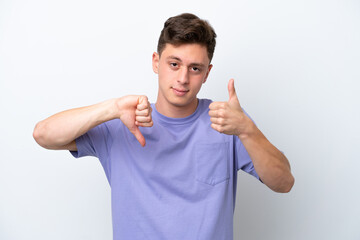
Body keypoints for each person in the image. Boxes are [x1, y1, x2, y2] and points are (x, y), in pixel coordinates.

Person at [33, 13, 294, 240]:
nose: (182, 78)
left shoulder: (227, 122)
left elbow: (284, 183)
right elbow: (44, 135)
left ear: (207, 74)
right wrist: (110, 109)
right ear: (156, 62)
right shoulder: (123, 122)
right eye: (174, 64)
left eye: (195, 68)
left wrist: (248, 130)